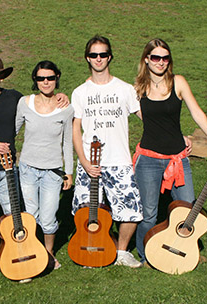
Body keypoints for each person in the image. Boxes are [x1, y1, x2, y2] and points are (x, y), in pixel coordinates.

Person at [0, 57, 69, 273]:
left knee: (16, 217)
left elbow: (38, 106)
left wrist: (59, 96)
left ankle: (20, 251)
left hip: (8, 171)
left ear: (2, 76)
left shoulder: (15, 99)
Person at [133, 38, 207, 262]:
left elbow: (197, 113)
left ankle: (186, 250)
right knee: (148, 215)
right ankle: (144, 255)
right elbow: (132, 114)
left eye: (165, 58)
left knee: (189, 210)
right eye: (156, 57)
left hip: (178, 159)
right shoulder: (137, 88)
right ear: (147, 59)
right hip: (148, 160)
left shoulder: (178, 82)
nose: (161, 62)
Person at [71, 35, 143, 268]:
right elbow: (75, 129)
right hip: (89, 164)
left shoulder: (125, 89)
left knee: (130, 210)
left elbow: (148, 120)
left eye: (103, 54)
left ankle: (121, 252)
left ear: (109, 56)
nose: (98, 59)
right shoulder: (80, 92)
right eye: (94, 55)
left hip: (119, 160)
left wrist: (175, 135)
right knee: (84, 212)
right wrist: (83, 162)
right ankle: (90, 249)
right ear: (87, 59)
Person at [15, 60, 74, 270]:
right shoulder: (24, 103)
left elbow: (68, 142)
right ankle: (33, 251)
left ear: (57, 78)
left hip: (53, 172)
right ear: (35, 80)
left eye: (50, 77)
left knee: (48, 218)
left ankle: (48, 255)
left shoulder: (66, 108)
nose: (46, 82)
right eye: (41, 78)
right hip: (28, 169)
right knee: (31, 216)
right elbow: (13, 131)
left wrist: (69, 172)